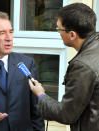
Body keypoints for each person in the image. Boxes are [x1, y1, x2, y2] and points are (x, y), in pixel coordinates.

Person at [28, 3, 99, 131]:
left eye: (59, 29)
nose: (58, 33)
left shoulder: (82, 66)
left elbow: (66, 114)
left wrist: (41, 95)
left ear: (72, 35)